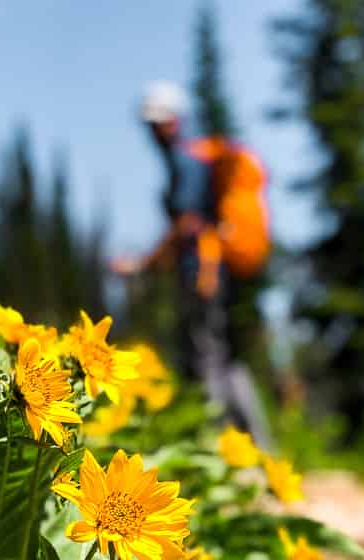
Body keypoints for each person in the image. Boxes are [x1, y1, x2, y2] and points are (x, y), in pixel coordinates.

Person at [112, 80, 271, 445]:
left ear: (176, 121)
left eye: (159, 123)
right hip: (212, 271)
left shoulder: (186, 162)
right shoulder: (192, 160)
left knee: (203, 356)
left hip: (202, 273)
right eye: (150, 125)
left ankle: (216, 445)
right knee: (220, 353)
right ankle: (256, 445)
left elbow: (185, 224)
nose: (153, 132)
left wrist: (141, 264)